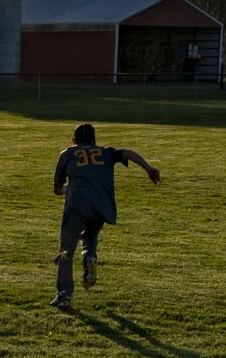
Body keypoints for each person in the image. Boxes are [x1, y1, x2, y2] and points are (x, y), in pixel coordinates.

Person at [49, 123, 159, 306]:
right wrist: (149, 169)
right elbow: (128, 153)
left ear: (74, 140)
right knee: (90, 234)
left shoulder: (68, 153)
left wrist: (70, 188)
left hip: (77, 205)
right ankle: (90, 257)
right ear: (94, 140)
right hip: (101, 205)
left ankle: (64, 295)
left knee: (66, 251)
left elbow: (57, 189)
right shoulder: (105, 152)